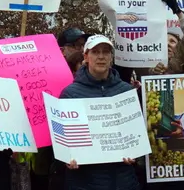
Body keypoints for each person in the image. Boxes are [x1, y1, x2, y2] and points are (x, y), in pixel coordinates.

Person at [59, 35, 139, 190]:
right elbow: (62, 139)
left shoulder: (126, 91)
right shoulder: (70, 94)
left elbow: (135, 133)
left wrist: (135, 152)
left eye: (106, 52)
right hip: (84, 182)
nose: (101, 56)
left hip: (123, 181)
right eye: (95, 52)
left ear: (111, 57)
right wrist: (67, 157)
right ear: (86, 57)